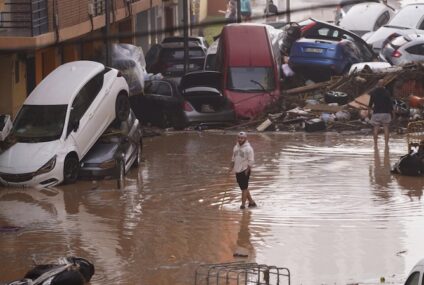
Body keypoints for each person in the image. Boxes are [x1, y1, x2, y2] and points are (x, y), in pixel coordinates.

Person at [230, 131, 256, 209]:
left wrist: (247, 170)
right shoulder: (235, 147)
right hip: (237, 170)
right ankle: (251, 202)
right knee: (243, 187)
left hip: (245, 170)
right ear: (237, 138)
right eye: (239, 138)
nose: (240, 139)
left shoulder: (249, 148)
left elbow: (251, 161)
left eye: (242, 138)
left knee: (244, 188)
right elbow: (233, 159)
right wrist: (230, 168)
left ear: (245, 139)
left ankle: (243, 205)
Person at [368, 79, 394, 146]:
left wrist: (369, 113)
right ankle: (386, 145)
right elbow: (390, 104)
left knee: (376, 128)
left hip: (376, 113)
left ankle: (375, 145)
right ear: (384, 84)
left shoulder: (373, 92)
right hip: (386, 113)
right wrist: (393, 113)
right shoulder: (387, 92)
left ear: (377, 84)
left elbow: (370, 104)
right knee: (386, 128)